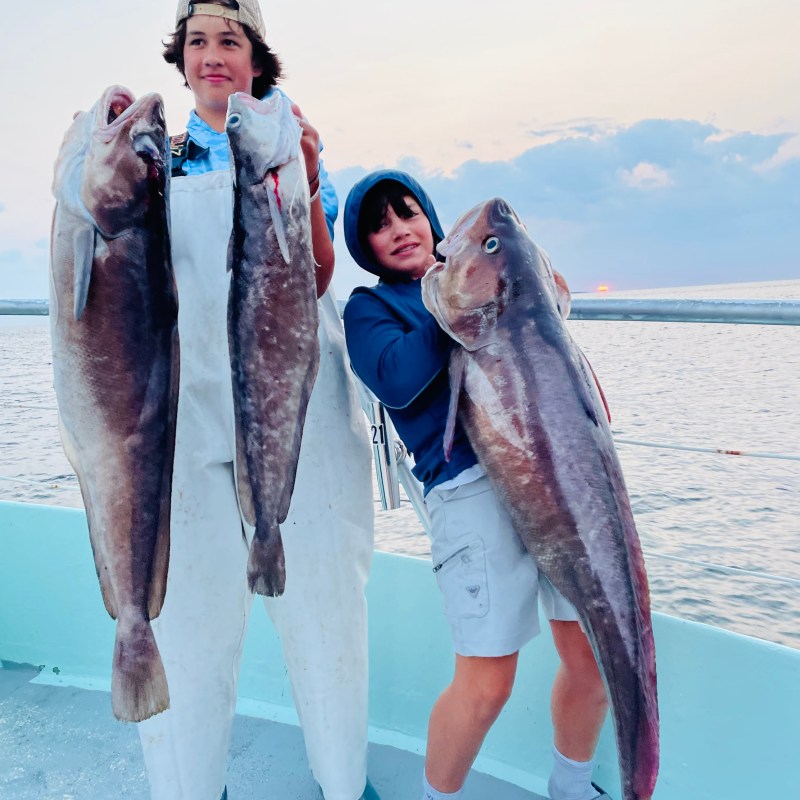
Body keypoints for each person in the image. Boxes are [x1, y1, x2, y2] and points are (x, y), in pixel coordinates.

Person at [136, 2, 378, 799]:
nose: (212, 55)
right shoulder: (156, 159)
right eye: (197, 41)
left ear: (257, 58)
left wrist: (302, 174)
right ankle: (190, 785)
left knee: (325, 607)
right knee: (185, 617)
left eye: (229, 40)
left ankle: (343, 782)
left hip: (295, 397)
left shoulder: (292, 140)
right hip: (186, 407)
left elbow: (318, 272)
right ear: (181, 59)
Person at [342, 170, 612, 800]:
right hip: (467, 490)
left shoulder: (487, 283)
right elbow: (396, 379)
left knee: (591, 657)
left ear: (431, 219)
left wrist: (513, 279)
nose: (399, 230)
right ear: (365, 246)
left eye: (408, 213)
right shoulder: (370, 308)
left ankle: (572, 788)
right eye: (379, 225)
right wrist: (460, 298)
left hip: (556, 476)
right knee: (488, 684)